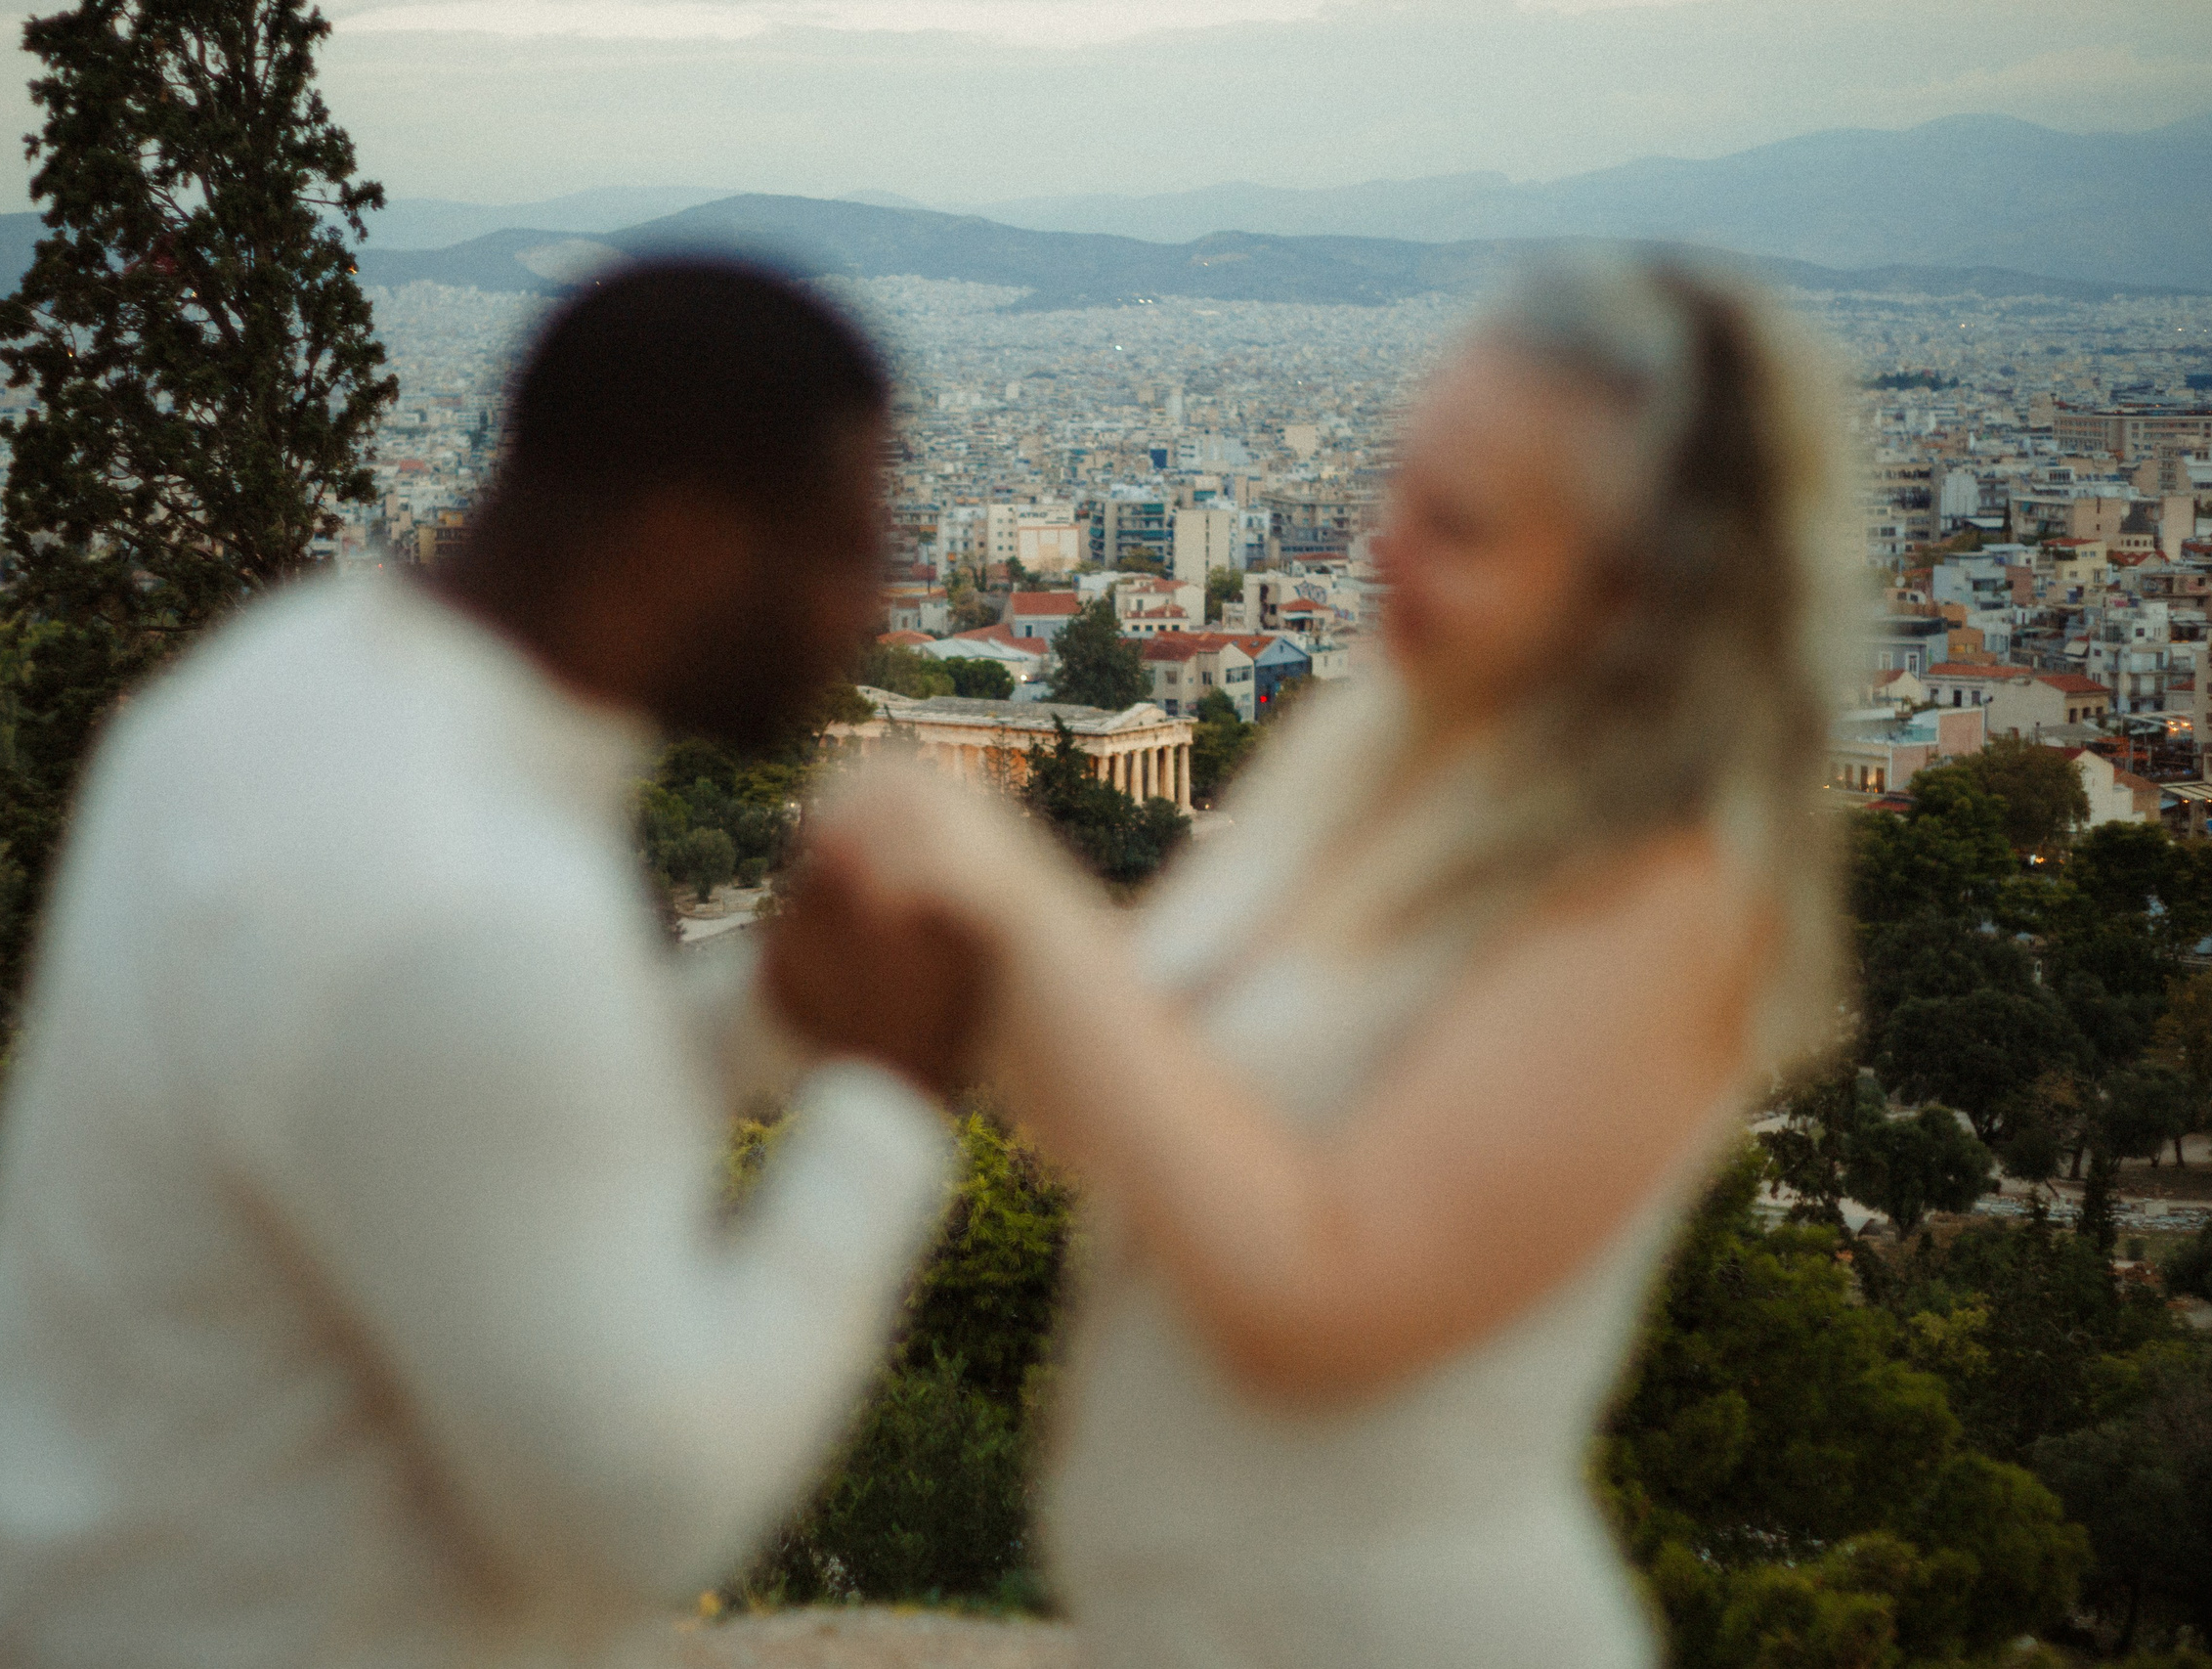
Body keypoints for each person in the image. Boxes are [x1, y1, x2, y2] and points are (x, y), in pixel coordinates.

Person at [775, 255, 1856, 1668]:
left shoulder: (1668, 896)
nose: (1385, 552)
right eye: (1400, 489)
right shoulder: (1391, 741)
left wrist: (1009, 891)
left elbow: (1325, 1296)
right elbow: (1128, 1091)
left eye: (1459, 525)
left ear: (1643, 588)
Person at [0, 260, 984, 1669]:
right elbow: (649, 1506)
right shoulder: (468, 906)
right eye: (847, 548)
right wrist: (887, 1103)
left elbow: (434, 1115)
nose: (873, 604)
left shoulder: (273, 689)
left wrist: (758, 1016)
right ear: (677, 545)